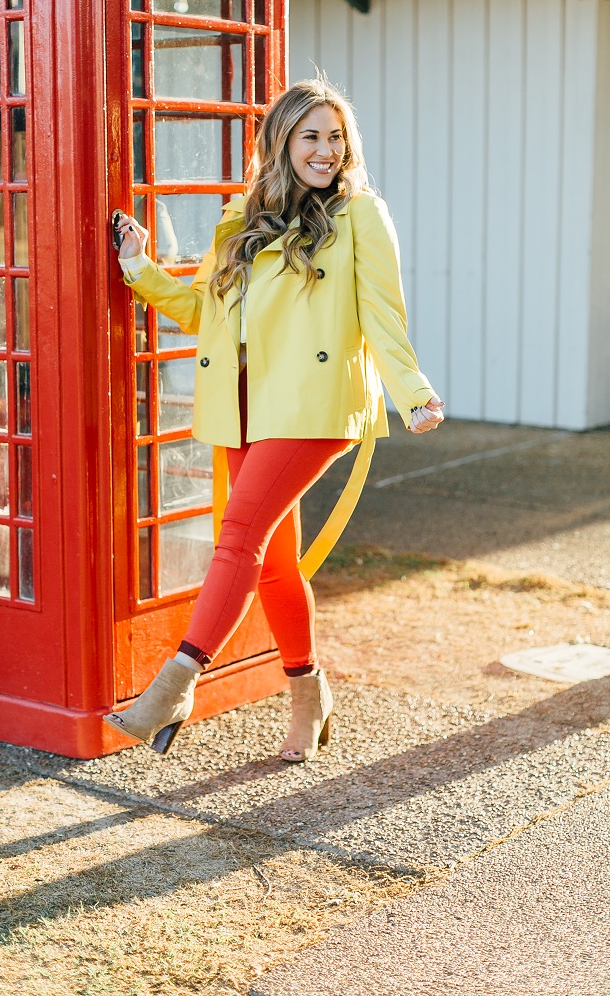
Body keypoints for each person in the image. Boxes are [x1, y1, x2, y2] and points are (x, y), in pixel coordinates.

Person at [104, 77, 444, 760]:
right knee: (273, 564)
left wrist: (413, 392)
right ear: (281, 142)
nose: (325, 150)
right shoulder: (243, 216)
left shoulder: (360, 216)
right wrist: (138, 265)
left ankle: (178, 680)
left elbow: (384, 313)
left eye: (335, 137)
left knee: (236, 538)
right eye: (311, 136)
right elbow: (203, 310)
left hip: (315, 404)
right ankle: (309, 695)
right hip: (246, 405)